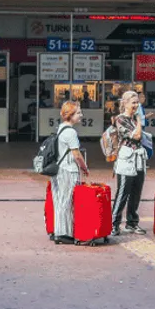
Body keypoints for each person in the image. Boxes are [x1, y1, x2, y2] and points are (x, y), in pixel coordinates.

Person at [50, 101, 90, 245]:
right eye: (78, 113)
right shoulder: (71, 132)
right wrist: (84, 167)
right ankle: (63, 233)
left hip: (58, 170)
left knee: (59, 200)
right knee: (66, 201)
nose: (81, 115)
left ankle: (57, 230)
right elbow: (77, 155)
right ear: (70, 115)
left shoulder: (60, 128)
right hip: (68, 170)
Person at [111, 91, 148, 236]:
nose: (136, 105)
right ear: (125, 103)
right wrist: (139, 121)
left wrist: (138, 120)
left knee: (136, 193)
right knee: (123, 192)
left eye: (137, 102)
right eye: (133, 102)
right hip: (126, 160)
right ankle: (114, 223)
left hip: (139, 159)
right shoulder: (120, 119)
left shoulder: (133, 119)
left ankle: (132, 222)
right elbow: (137, 136)